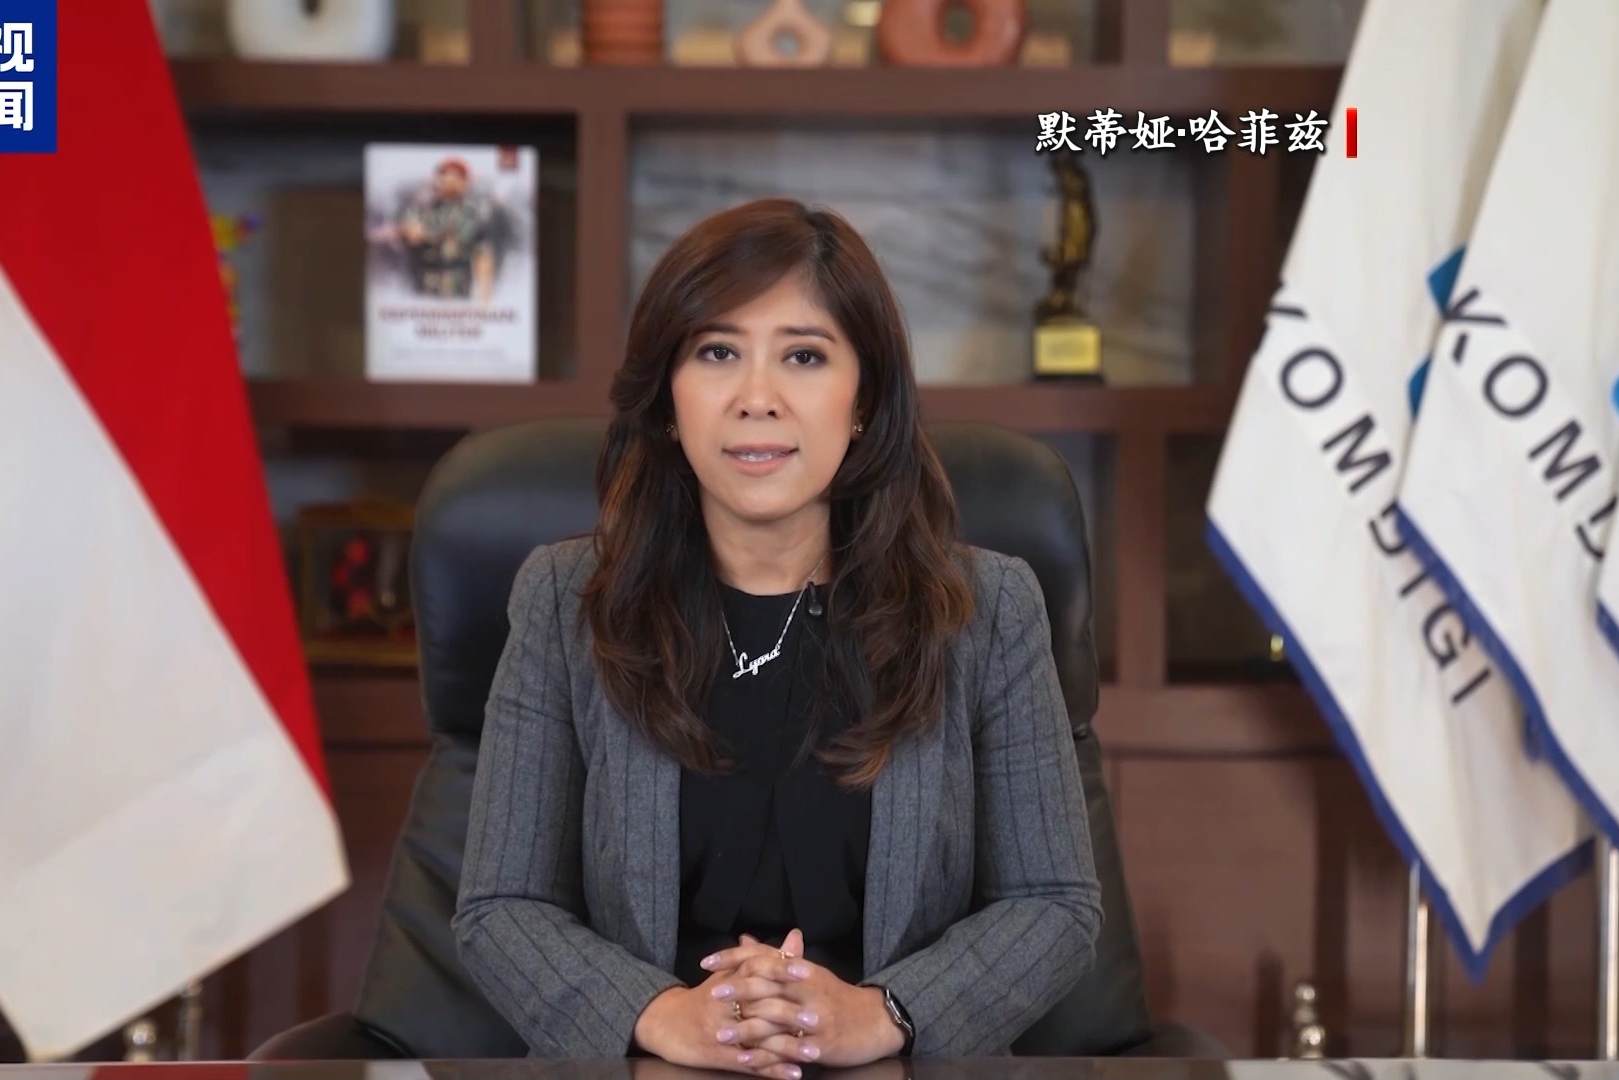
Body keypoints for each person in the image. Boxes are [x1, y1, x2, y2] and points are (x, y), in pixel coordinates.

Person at [451, 198, 1102, 1076]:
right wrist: (663, 1016)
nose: (757, 399)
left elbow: (1054, 903)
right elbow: (501, 905)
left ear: (864, 399)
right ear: (668, 400)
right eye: (717, 353)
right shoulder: (567, 601)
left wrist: (883, 1012)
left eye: (803, 356)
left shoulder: (985, 611)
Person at [397, 157, 497, 302]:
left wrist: (485, 293)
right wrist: (415, 233)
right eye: (444, 177)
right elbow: (410, 233)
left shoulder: (474, 215)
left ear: (465, 182)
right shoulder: (421, 209)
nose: (449, 182)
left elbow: (482, 252)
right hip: (426, 281)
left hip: (459, 283)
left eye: (456, 178)